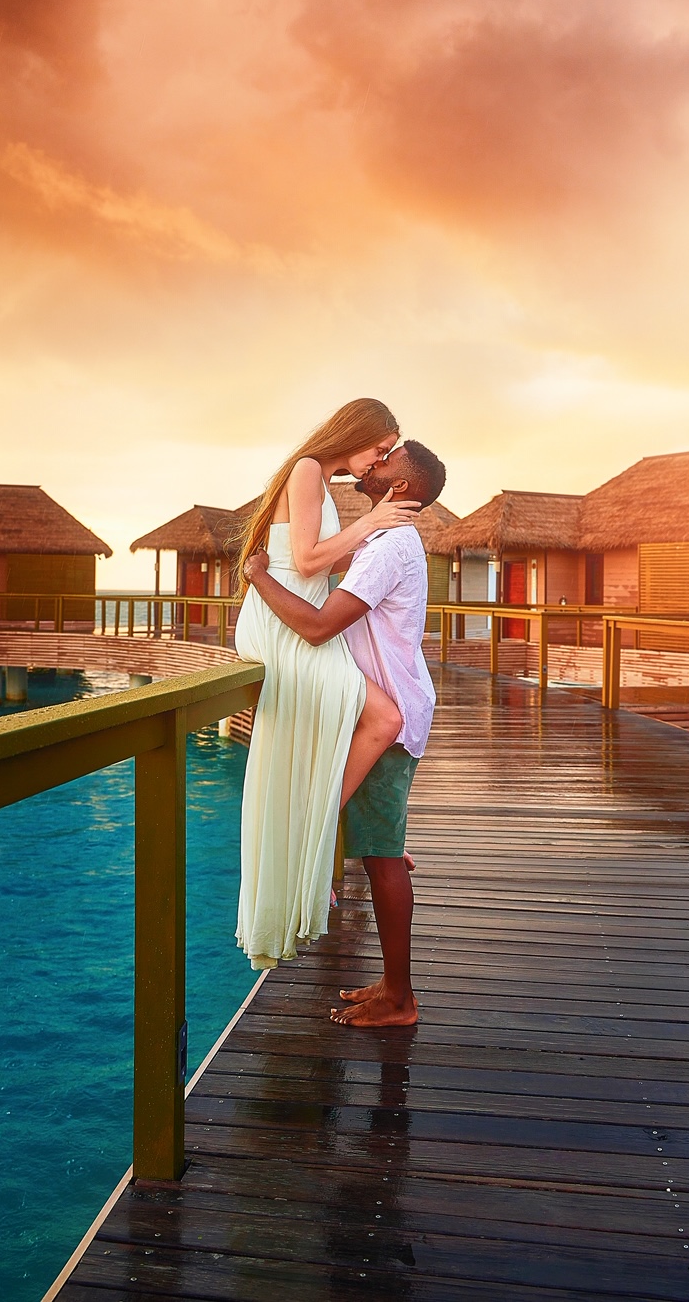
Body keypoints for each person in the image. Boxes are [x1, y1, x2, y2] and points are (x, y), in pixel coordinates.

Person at [244, 438, 445, 1027]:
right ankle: (391, 982)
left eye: (385, 461)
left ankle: (401, 1000)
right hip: (385, 709)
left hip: (392, 716)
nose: (372, 464)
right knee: (381, 853)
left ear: (400, 487)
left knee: (383, 862)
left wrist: (258, 577)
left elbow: (316, 625)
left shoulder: (390, 549)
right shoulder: (381, 541)